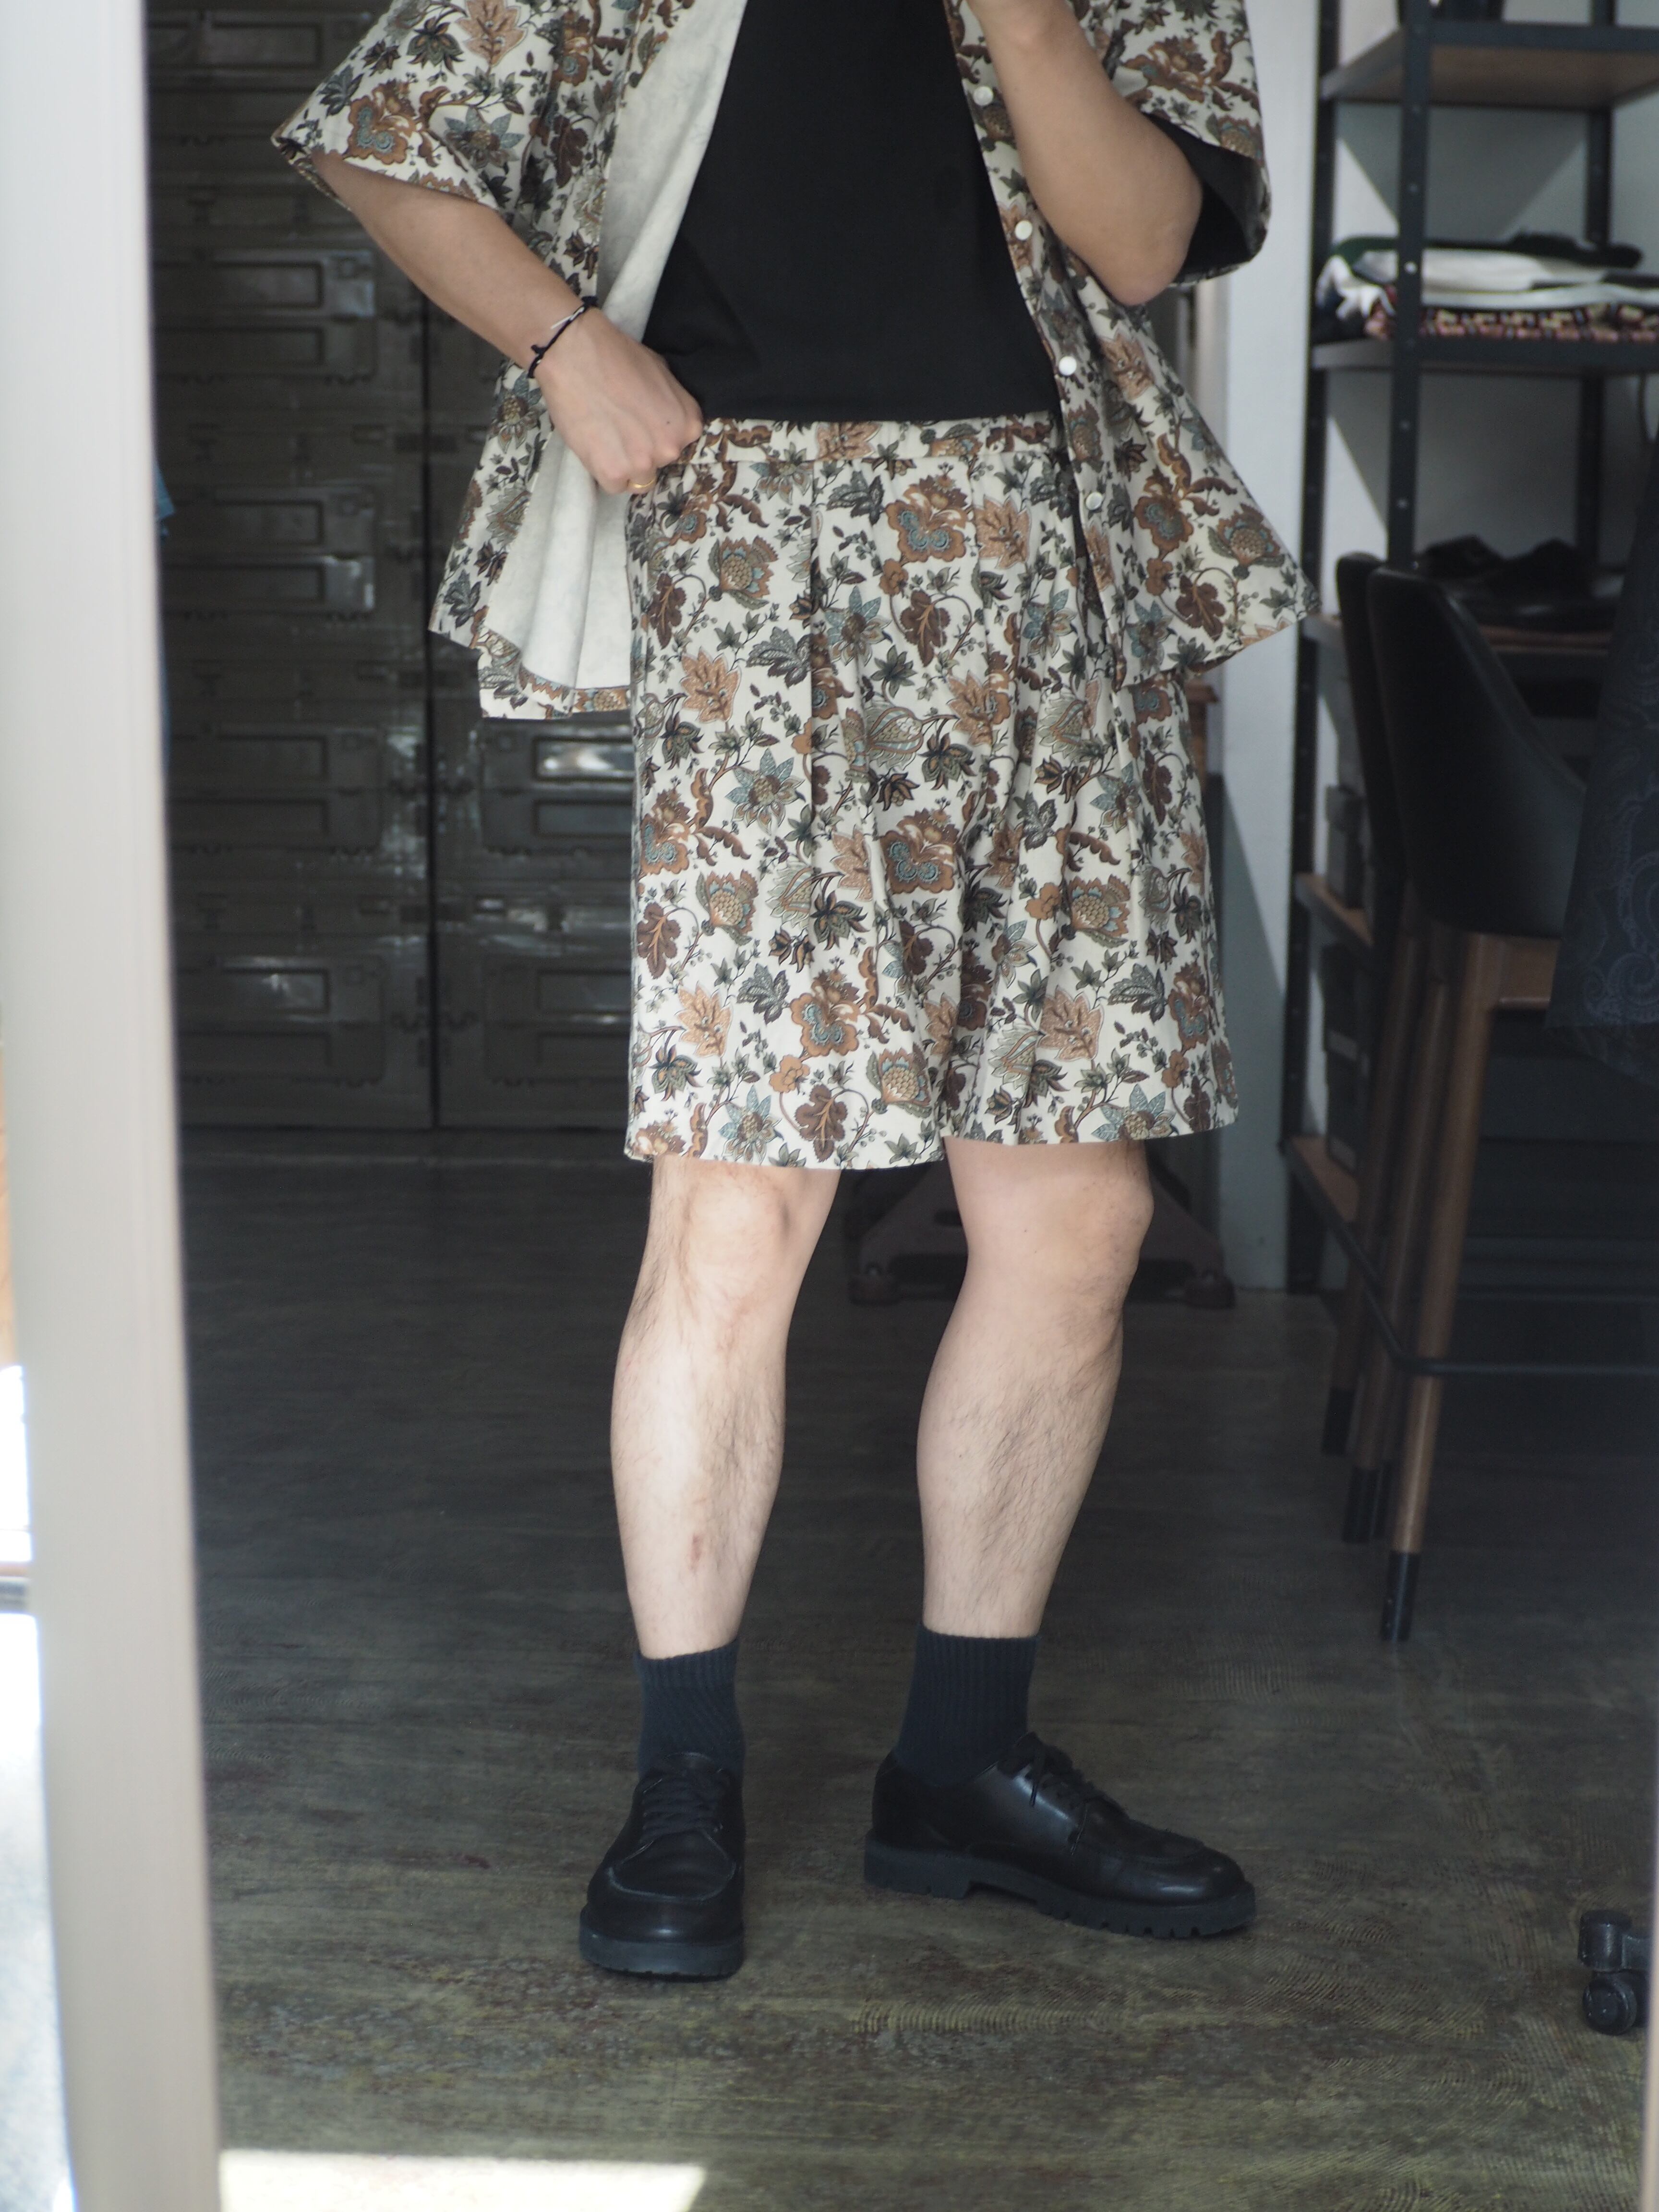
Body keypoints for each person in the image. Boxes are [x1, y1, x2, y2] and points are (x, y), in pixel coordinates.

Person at [279, 0, 1312, 1982]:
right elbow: (379, 131)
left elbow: (1144, 244)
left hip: (1055, 563)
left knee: (1081, 1216)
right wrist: (568, 347)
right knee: (739, 1212)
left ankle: (962, 1765)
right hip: (764, 566)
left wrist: (1024, 18)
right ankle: (683, 1777)